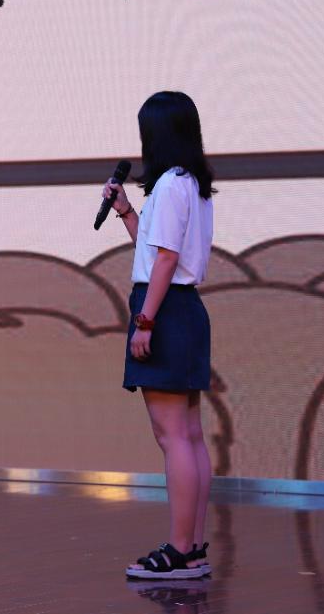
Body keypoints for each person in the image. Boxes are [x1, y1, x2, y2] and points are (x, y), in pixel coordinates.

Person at [102, 91, 216, 580]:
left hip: (165, 309)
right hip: (183, 308)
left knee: (174, 438)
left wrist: (145, 321)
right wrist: (127, 212)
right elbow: (155, 254)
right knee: (187, 435)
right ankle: (192, 548)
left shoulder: (171, 184)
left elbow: (166, 261)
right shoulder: (190, 184)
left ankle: (180, 550)